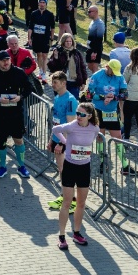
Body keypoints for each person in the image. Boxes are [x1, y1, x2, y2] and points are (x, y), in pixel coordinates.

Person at [52, 102, 101, 250]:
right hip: (70, 167)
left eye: (82, 114)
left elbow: (93, 139)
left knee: (81, 203)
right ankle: (62, 236)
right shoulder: (72, 126)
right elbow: (55, 129)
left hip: (84, 168)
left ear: (89, 116)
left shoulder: (94, 129)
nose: (78, 116)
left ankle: (77, 233)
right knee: (67, 202)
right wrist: (65, 142)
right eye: (77, 113)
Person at [0, 50, 34, 178]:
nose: (6, 62)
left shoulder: (19, 72)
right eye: (3, 60)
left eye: (8, 60)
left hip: (16, 113)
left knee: (18, 140)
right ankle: (2, 167)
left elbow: (29, 88)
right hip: (0, 114)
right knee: (1, 141)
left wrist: (20, 97)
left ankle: (21, 166)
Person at [88, 59, 134, 175]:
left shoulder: (119, 77)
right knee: (100, 136)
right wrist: (103, 97)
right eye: (112, 71)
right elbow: (88, 94)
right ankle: (103, 162)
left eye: (115, 72)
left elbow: (125, 95)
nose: (113, 74)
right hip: (98, 110)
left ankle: (125, 165)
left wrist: (114, 97)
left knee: (117, 137)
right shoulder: (97, 76)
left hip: (112, 111)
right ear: (107, 67)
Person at [48, 70, 80, 213]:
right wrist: (51, 139)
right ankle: (65, 196)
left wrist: (62, 143)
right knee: (61, 169)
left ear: (63, 83)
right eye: (52, 82)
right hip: (57, 138)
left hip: (65, 141)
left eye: (55, 82)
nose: (53, 85)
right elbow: (56, 121)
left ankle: (72, 200)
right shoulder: (57, 97)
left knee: (66, 171)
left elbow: (70, 125)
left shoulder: (70, 100)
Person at [46, 33, 88, 99]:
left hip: (74, 82)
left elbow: (82, 67)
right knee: (61, 101)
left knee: (73, 101)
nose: (69, 43)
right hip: (61, 82)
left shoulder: (76, 53)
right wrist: (56, 57)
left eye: (70, 41)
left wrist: (83, 82)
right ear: (63, 42)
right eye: (67, 41)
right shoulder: (59, 52)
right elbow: (52, 67)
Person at [28, 0, 56, 82]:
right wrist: (29, 38)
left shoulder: (50, 14)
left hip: (45, 38)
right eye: (41, 2)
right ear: (38, 4)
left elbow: (53, 28)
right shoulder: (34, 13)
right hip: (36, 38)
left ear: (46, 4)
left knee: (45, 55)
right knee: (38, 55)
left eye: (44, 3)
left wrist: (52, 38)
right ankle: (40, 71)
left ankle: (44, 74)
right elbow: (30, 27)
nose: (42, 4)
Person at [85, 4, 105, 73]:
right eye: (88, 11)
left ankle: (97, 79)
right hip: (90, 47)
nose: (88, 13)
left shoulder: (100, 24)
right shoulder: (92, 21)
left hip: (96, 48)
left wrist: (95, 52)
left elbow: (99, 39)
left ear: (96, 12)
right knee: (89, 66)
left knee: (94, 68)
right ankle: (99, 76)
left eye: (90, 12)